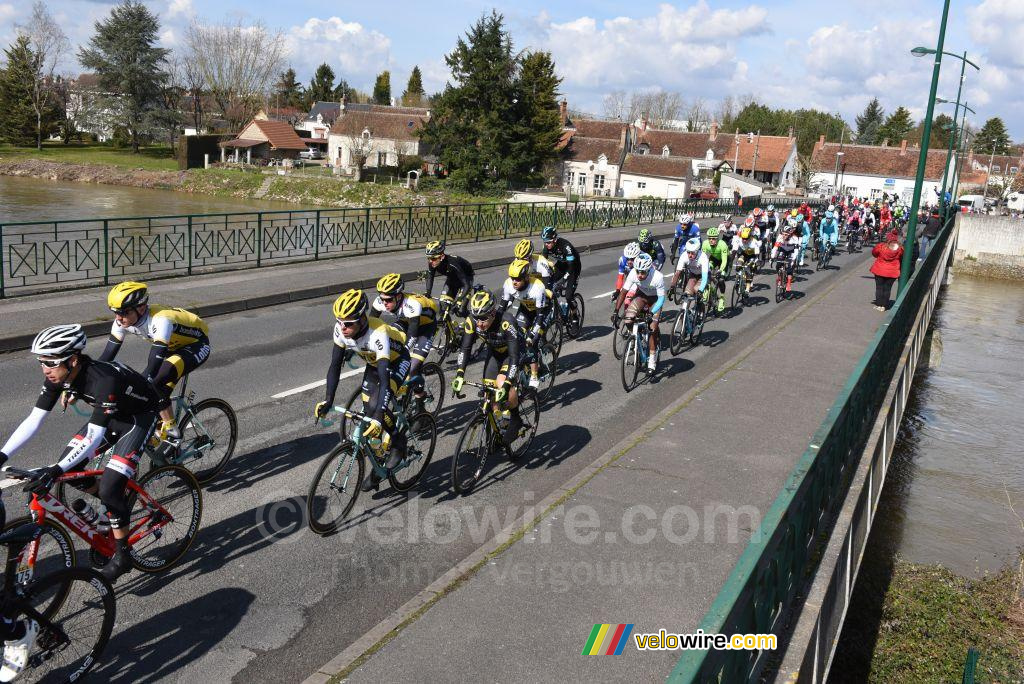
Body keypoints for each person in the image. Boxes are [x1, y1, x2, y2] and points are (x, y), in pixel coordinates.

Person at [1, 324, 164, 583]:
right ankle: (116, 506)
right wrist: (3, 455)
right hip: (111, 416)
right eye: (41, 362)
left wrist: (55, 470)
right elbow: (34, 420)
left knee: (107, 487)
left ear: (73, 360)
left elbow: (94, 436)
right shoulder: (59, 375)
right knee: (73, 471)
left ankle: (123, 556)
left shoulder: (103, 380)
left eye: (50, 362)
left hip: (138, 418)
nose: (45, 369)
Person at [315, 289, 411, 492]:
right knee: (368, 410)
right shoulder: (341, 328)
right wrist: (328, 400)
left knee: (377, 408)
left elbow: (384, 380)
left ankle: (398, 441)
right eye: (340, 322)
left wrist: (379, 417)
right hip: (374, 364)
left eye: (348, 323)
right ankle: (380, 463)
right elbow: (335, 366)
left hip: (395, 362)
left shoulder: (378, 333)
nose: (343, 327)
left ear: (362, 320)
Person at [101, 281, 210, 443]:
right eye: (115, 312)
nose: (118, 317)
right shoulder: (122, 321)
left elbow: (153, 363)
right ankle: (162, 436)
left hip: (195, 345)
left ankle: (172, 429)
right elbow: (107, 355)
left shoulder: (160, 320)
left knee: (152, 383)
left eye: (123, 312)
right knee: (153, 396)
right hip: (171, 349)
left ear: (141, 308)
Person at [451, 289, 526, 445]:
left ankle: (516, 418)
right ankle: (498, 424)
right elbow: (465, 349)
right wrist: (459, 374)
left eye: (483, 318)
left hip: (513, 352)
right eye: (476, 318)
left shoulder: (506, 322)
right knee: (488, 391)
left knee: (501, 383)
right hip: (495, 351)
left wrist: (507, 384)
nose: (479, 323)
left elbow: (514, 357)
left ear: (492, 313)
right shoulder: (472, 322)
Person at [372, 274, 438, 410]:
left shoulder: (412, 305)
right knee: (389, 342)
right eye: (382, 299)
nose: (384, 303)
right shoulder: (381, 302)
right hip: (405, 322)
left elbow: (412, 336)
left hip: (426, 328)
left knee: (412, 367)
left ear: (398, 296)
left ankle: (420, 399)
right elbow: (370, 327)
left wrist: (402, 356)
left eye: (388, 300)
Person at [498, 259, 549, 389]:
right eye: (512, 278)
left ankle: (534, 375)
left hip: (542, 312)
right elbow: (501, 309)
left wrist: (531, 335)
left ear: (526, 278)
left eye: (518, 279)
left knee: (531, 342)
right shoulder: (508, 284)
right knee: (517, 336)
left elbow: (540, 316)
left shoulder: (537, 287)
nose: (514, 282)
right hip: (526, 310)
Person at [611, 253, 665, 372]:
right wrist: (616, 311)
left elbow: (662, 299)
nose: (640, 275)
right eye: (638, 271)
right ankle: (637, 338)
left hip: (655, 300)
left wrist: (652, 313)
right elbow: (623, 292)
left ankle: (652, 359)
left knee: (652, 328)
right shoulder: (632, 273)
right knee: (628, 320)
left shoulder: (658, 277)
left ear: (649, 269)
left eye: (643, 272)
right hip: (642, 296)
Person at [423, 241, 475, 319]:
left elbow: (466, 285)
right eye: (428, 258)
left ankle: (472, 322)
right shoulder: (432, 263)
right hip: (452, 278)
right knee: (443, 306)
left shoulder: (452, 264)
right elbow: (430, 277)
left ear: (442, 256)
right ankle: (446, 325)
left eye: (433, 258)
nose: (430, 261)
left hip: (466, 279)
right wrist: (428, 292)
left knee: (460, 310)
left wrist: (459, 300)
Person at [540, 226, 581, 303]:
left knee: (568, 297)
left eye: (548, 242)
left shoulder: (566, 246)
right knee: (548, 284)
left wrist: (563, 280)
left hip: (574, 267)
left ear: (555, 240)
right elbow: (542, 262)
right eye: (544, 242)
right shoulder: (546, 247)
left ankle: (574, 309)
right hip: (562, 264)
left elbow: (571, 267)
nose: (546, 244)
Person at [669, 238, 709, 312]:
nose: (690, 255)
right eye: (688, 252)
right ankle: (684, 313)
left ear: (697, 251)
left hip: (703, 276)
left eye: (692, 253)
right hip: (693, 275)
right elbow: (677, 273)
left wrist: (700, 290)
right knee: (687, 294)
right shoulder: (684, 256)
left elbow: (704, 277)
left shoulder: (703, 257)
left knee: (696, 289)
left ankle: (701, 308)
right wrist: (672, 287)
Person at [870, 231, 904, 311]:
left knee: (879, 288)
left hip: (880, 269)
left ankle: (879, 304)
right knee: (888, 289)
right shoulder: (900, 249)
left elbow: (874, 253)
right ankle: (884, 306)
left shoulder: (881, 246)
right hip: (893, 271)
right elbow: (902, 257)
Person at [702, 226, 730, 312]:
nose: (711, 240)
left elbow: (724, 260)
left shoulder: (722, 244)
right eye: (709, 238)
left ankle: (722, 298)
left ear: (717, 238)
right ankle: (707, 289)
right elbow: (702, 258)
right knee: (707, 271)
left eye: (713, 238)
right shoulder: (705, 243)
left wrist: (720, 270)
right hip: (714, 259)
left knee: (721, 280)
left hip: (724, 260)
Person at [771, 219, 801, 292]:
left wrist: (793, 259)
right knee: (778, 264)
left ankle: (788, 283)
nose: (784, 236)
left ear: (790, 234)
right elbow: (775, 248)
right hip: (783, 250)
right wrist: (772, 257)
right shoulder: (780, 237)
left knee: (790, 267)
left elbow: (796, 251)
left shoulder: (794, 238)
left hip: (791, 252)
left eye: (786, 235)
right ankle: (780, 277)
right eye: (783, 234)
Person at [731, 226, 761, 293]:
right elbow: (734, 250)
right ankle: (738, 279)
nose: (744, 240)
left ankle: (747, 290)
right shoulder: (738, 240)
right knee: (739, 265)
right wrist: (730, 261)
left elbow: (757, 254)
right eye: (743, 238)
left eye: (746, 238)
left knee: (749, 270)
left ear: (750, 237)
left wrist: (756, 261)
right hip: (743, 254)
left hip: (752, 256)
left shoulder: (754, 242)